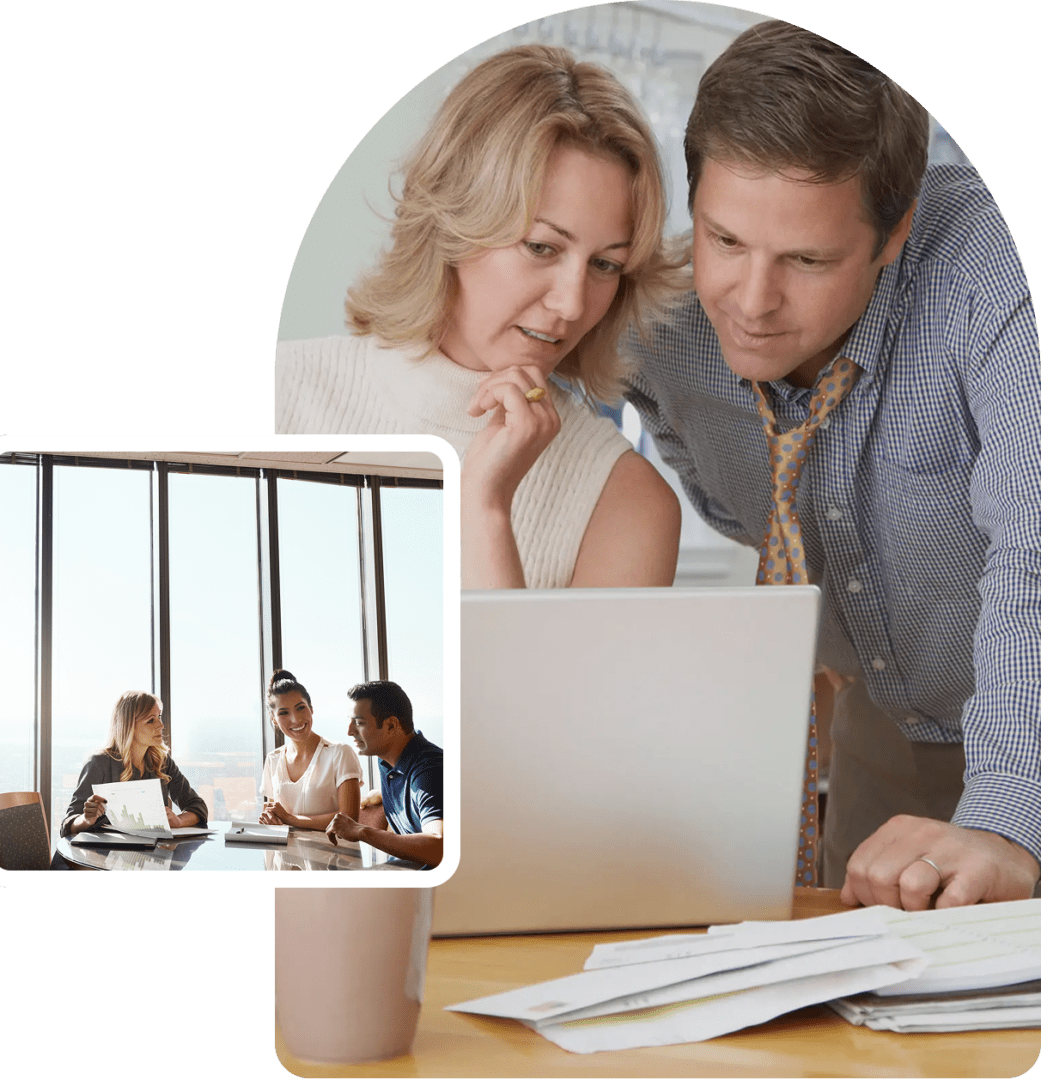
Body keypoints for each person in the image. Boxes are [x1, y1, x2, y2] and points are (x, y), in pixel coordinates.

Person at [624, 19, 1041, 911]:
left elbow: (1033, 547)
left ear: (893, 233)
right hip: (881, 730)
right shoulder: (655, 324)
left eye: (806, 260)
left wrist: (1008, 817)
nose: (751, 301)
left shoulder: (997, 264)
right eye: (724, 241)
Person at [275, 44, 687, 589]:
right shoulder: (281, 394)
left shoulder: (626, 500)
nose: (572, 304)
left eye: (605, 264)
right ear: (454, 223)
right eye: (541, 247)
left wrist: (485, 509)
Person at [326, 681, 442, 869]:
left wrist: (361, 831)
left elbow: (439, 846)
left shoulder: (429, 770)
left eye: (359, 723)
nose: (349, 731)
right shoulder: (387, 761)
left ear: (390, 725)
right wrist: (380, 794)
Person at [60, 690, 208, 838]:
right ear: (128, 726)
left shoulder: (162, 762)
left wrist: (179, 821)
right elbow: (67, 827)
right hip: (104, 851)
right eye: (151, 720)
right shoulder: (99, 763)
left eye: (159, 717)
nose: (161, 725)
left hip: (151, 850)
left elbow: (198, 807)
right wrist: (85, 819)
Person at [259, 669, 363, 831]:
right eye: (284, 713)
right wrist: (270, 818)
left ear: (311, 708)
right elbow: (275, 815)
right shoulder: (273, 759)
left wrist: (290, 819)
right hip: (287, 848)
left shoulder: (340, 753)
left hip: (332, 848)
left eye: (300, 708)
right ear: (274, 719)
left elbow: (349, 818)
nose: (296, 719)